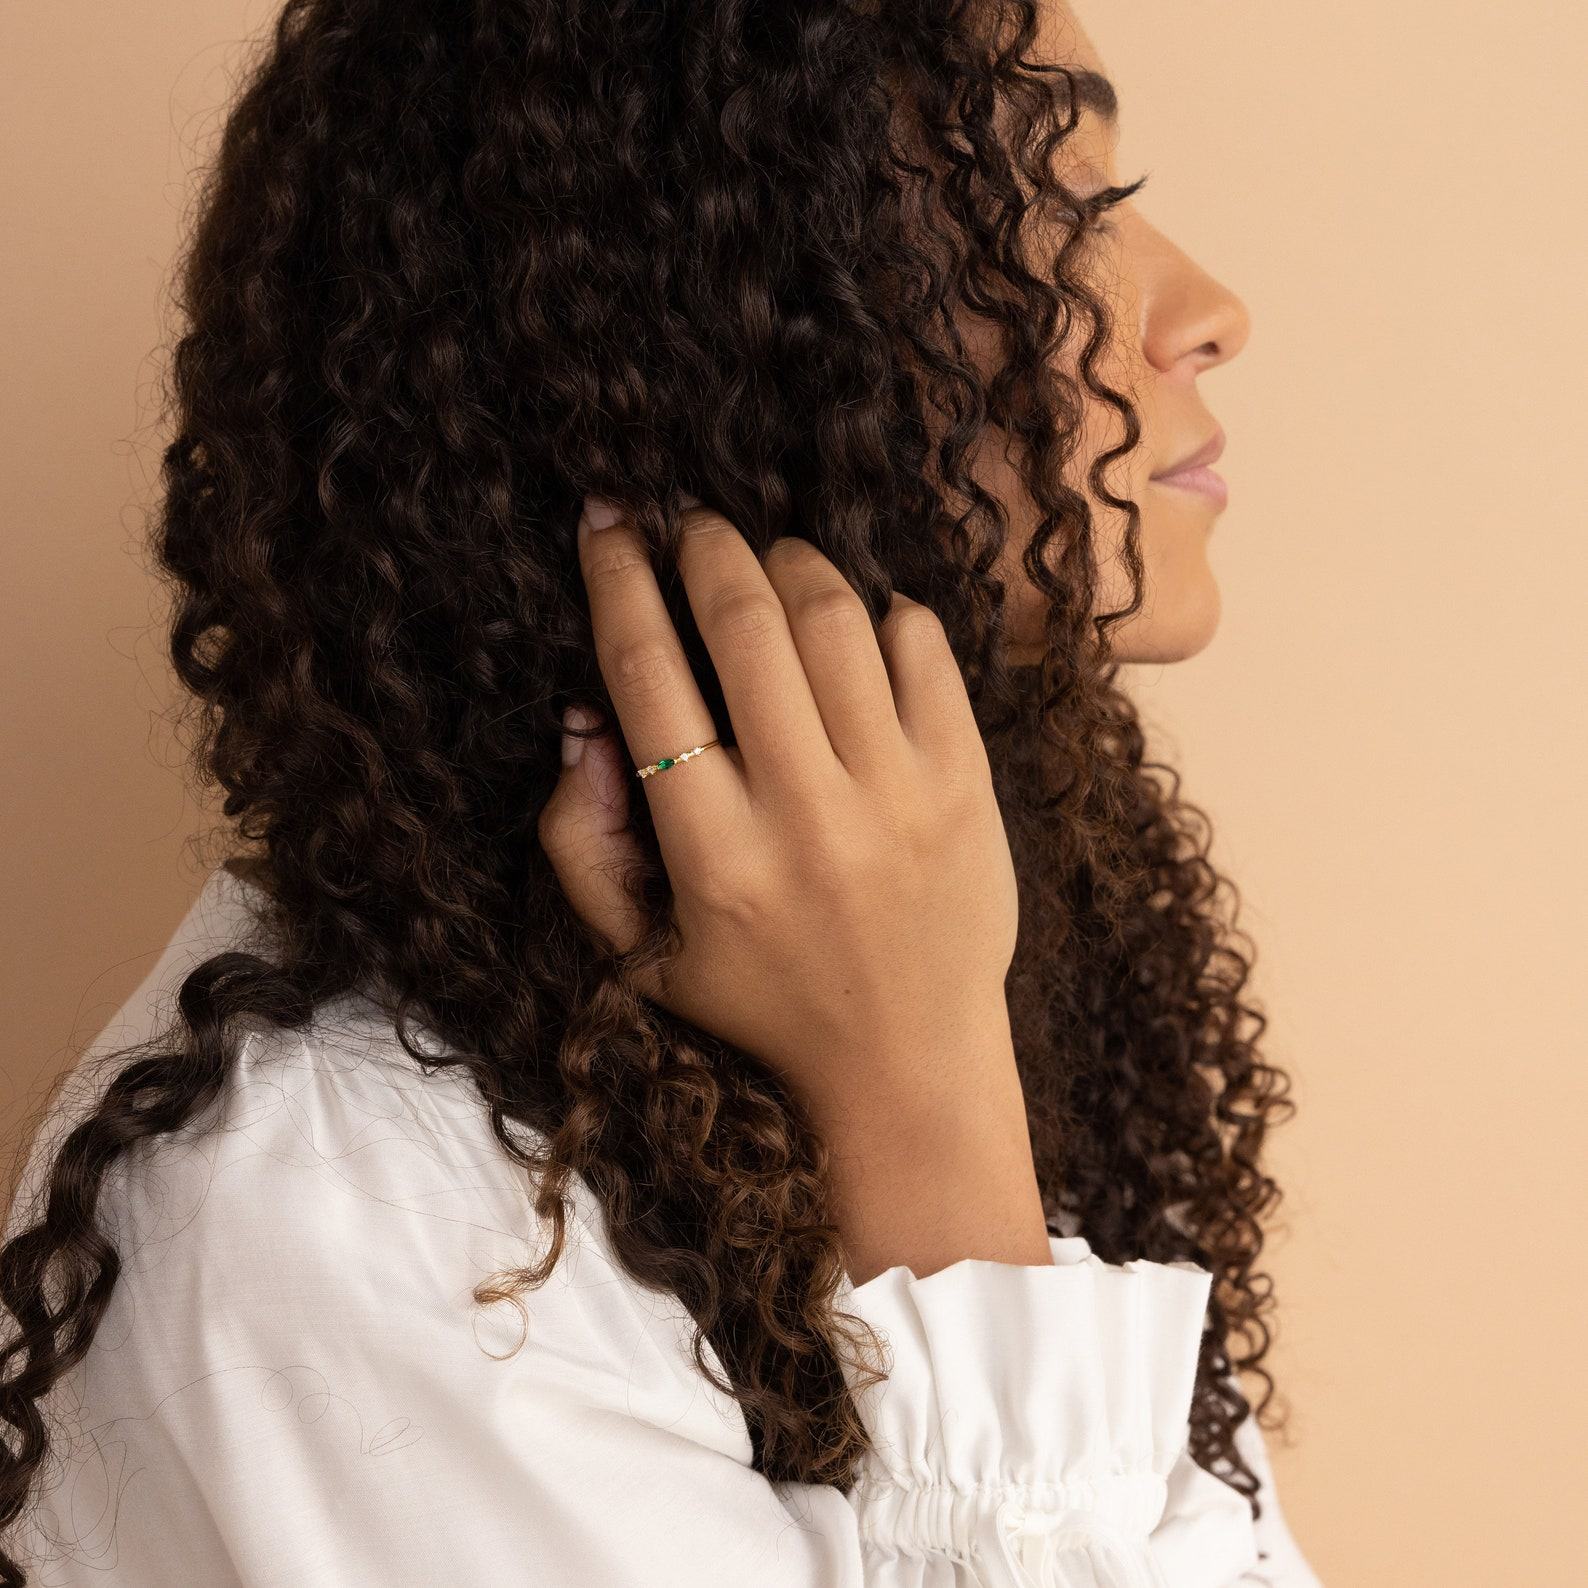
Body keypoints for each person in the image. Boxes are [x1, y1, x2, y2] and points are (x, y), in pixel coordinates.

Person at [0, 0, 1323, 1583]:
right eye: (1055, 198)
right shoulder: (355, 1214)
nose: (1209, 309)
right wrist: (923, 1099)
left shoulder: (989, 983)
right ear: (709, 333)